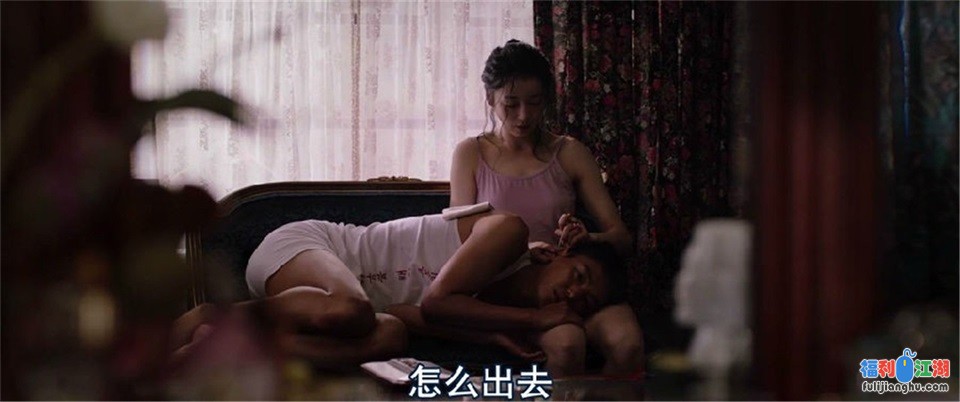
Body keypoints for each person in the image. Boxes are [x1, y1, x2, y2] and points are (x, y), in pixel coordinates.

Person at [170, 210, 627, 370]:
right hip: (311, 248)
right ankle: (214, 316)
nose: (573, 294)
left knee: (391, 334)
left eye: (584, 301)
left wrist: (490, 333)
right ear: (561, 253)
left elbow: (410, 313)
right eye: (579, 276)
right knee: (352, 309)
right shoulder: (510, 231)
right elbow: (437, 301)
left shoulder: (495, 307)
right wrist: (532, 320)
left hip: (339, 305)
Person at [448, 39, 644, 376]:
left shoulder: (569, 153)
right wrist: (521, 251)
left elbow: (621, 238)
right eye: (511, 104)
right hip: (512, 292)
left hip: (576, 282)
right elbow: (456, 240)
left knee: (628, 345)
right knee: (567, 344)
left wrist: (588, 238)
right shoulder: (470, 153)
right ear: (490, 99)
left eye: (535, 103)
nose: (524, 116)